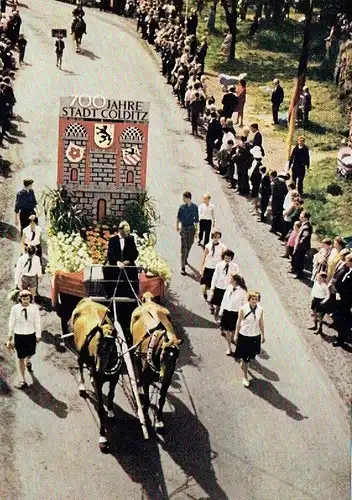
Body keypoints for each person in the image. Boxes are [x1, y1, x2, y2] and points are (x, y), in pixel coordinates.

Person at [6, 289, 42, 390]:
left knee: (30, 353)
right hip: (19, 336)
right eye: (24, 299)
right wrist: (10, 337)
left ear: (30, 299)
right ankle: (22, 380)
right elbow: (11, 323)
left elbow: (37, 322)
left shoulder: (34, 308)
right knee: (20, 357)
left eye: (27, 298)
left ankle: (28, 361)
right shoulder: (15, 309)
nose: (26, 301)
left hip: (31, 335)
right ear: (20, 299)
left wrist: (38, 335)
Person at [234, 291, 265, 387]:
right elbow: (238, 323)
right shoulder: (243, 309)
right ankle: (245, 377)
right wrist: (236, 335)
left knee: (249, 357)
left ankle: (244, 363)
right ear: (249, 299)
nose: (254, 301)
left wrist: (263, 335)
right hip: (244, 335)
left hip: (255, 335)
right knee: (246, 358)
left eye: (256, 299)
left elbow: (261, 322)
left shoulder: (260, 309)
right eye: (252, 299)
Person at [105, 221, 139, 298]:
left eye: (129, 231)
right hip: (116, 265)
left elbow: (135, 253)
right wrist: (117, 262)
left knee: (133, 272)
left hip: (127, 265)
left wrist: (129, 261)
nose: (128, 233)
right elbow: (110, 254)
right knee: (109, 271)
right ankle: (110, 293)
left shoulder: (131, 239)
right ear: (120, 230)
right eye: (126, 231)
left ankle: (132, 294)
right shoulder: (113, 240)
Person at [219, 274, 247, 356]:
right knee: (227, 331)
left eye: (231, 278)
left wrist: (243, 318)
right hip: (227, 312)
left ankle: (235, 343)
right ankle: (229, 348)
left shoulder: (242, 291)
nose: (229, 279)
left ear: (235, 281)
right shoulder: (228, 287)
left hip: (236, 314)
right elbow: (224, 300)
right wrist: (221, 311)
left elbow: (244, 305)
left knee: (235, 332)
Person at [209, 249, 239, 321]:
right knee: (217, 302)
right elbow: (215, 276)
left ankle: (220, 316)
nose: (227, 260)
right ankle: (214, 310)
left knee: (224, 303)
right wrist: (212, 288)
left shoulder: (235, 266)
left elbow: (237, 277)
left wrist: (235, 287)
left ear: (231, 258)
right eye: (225, 258)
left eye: (229, 258)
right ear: (223, 257)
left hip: (228, 288)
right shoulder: (219, 265)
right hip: (219, 286)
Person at [199, 230, 227, 301]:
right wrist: (201, 268)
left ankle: (212, 298)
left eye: (218, 237)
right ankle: (204, 293)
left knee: (214, 284)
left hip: (216, 268)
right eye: (215, 237)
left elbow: (224, 258)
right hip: (208, 267)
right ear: (212, 237)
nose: (216, 239)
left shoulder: (222, 247)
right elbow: (204, 257)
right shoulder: (208, 246)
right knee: (205, 284)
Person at [176, 191, 199, 275]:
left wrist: (196, 231)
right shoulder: (182, 207)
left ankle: (185, 258)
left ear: (188, 198)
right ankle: (183, 267)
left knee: (190, 244)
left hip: (191, 228)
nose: (183, 199)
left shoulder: (195, 207)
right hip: (184, 228)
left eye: (184, 198)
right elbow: (178, 217)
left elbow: (196, 220)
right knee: (183, 248)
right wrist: (177, 226)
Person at [332, 253, 352, 347]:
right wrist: (338, 292)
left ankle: (341, 340)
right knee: (339, 318)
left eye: (347, 260)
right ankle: (343, 336)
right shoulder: (346, 269)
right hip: (340, 298)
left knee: (344, 320)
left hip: (347, 301)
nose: (345, 262)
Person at [290, 211, 313, 279]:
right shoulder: (304, 224)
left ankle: (299, 273)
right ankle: (294, 269)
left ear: (306, 218)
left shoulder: (307, 227)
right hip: (299, 245)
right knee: (295, 258)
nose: (300, 218)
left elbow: (305, 237)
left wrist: (299, 243)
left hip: (302, 247)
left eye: (302, 217)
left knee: (299, 260)